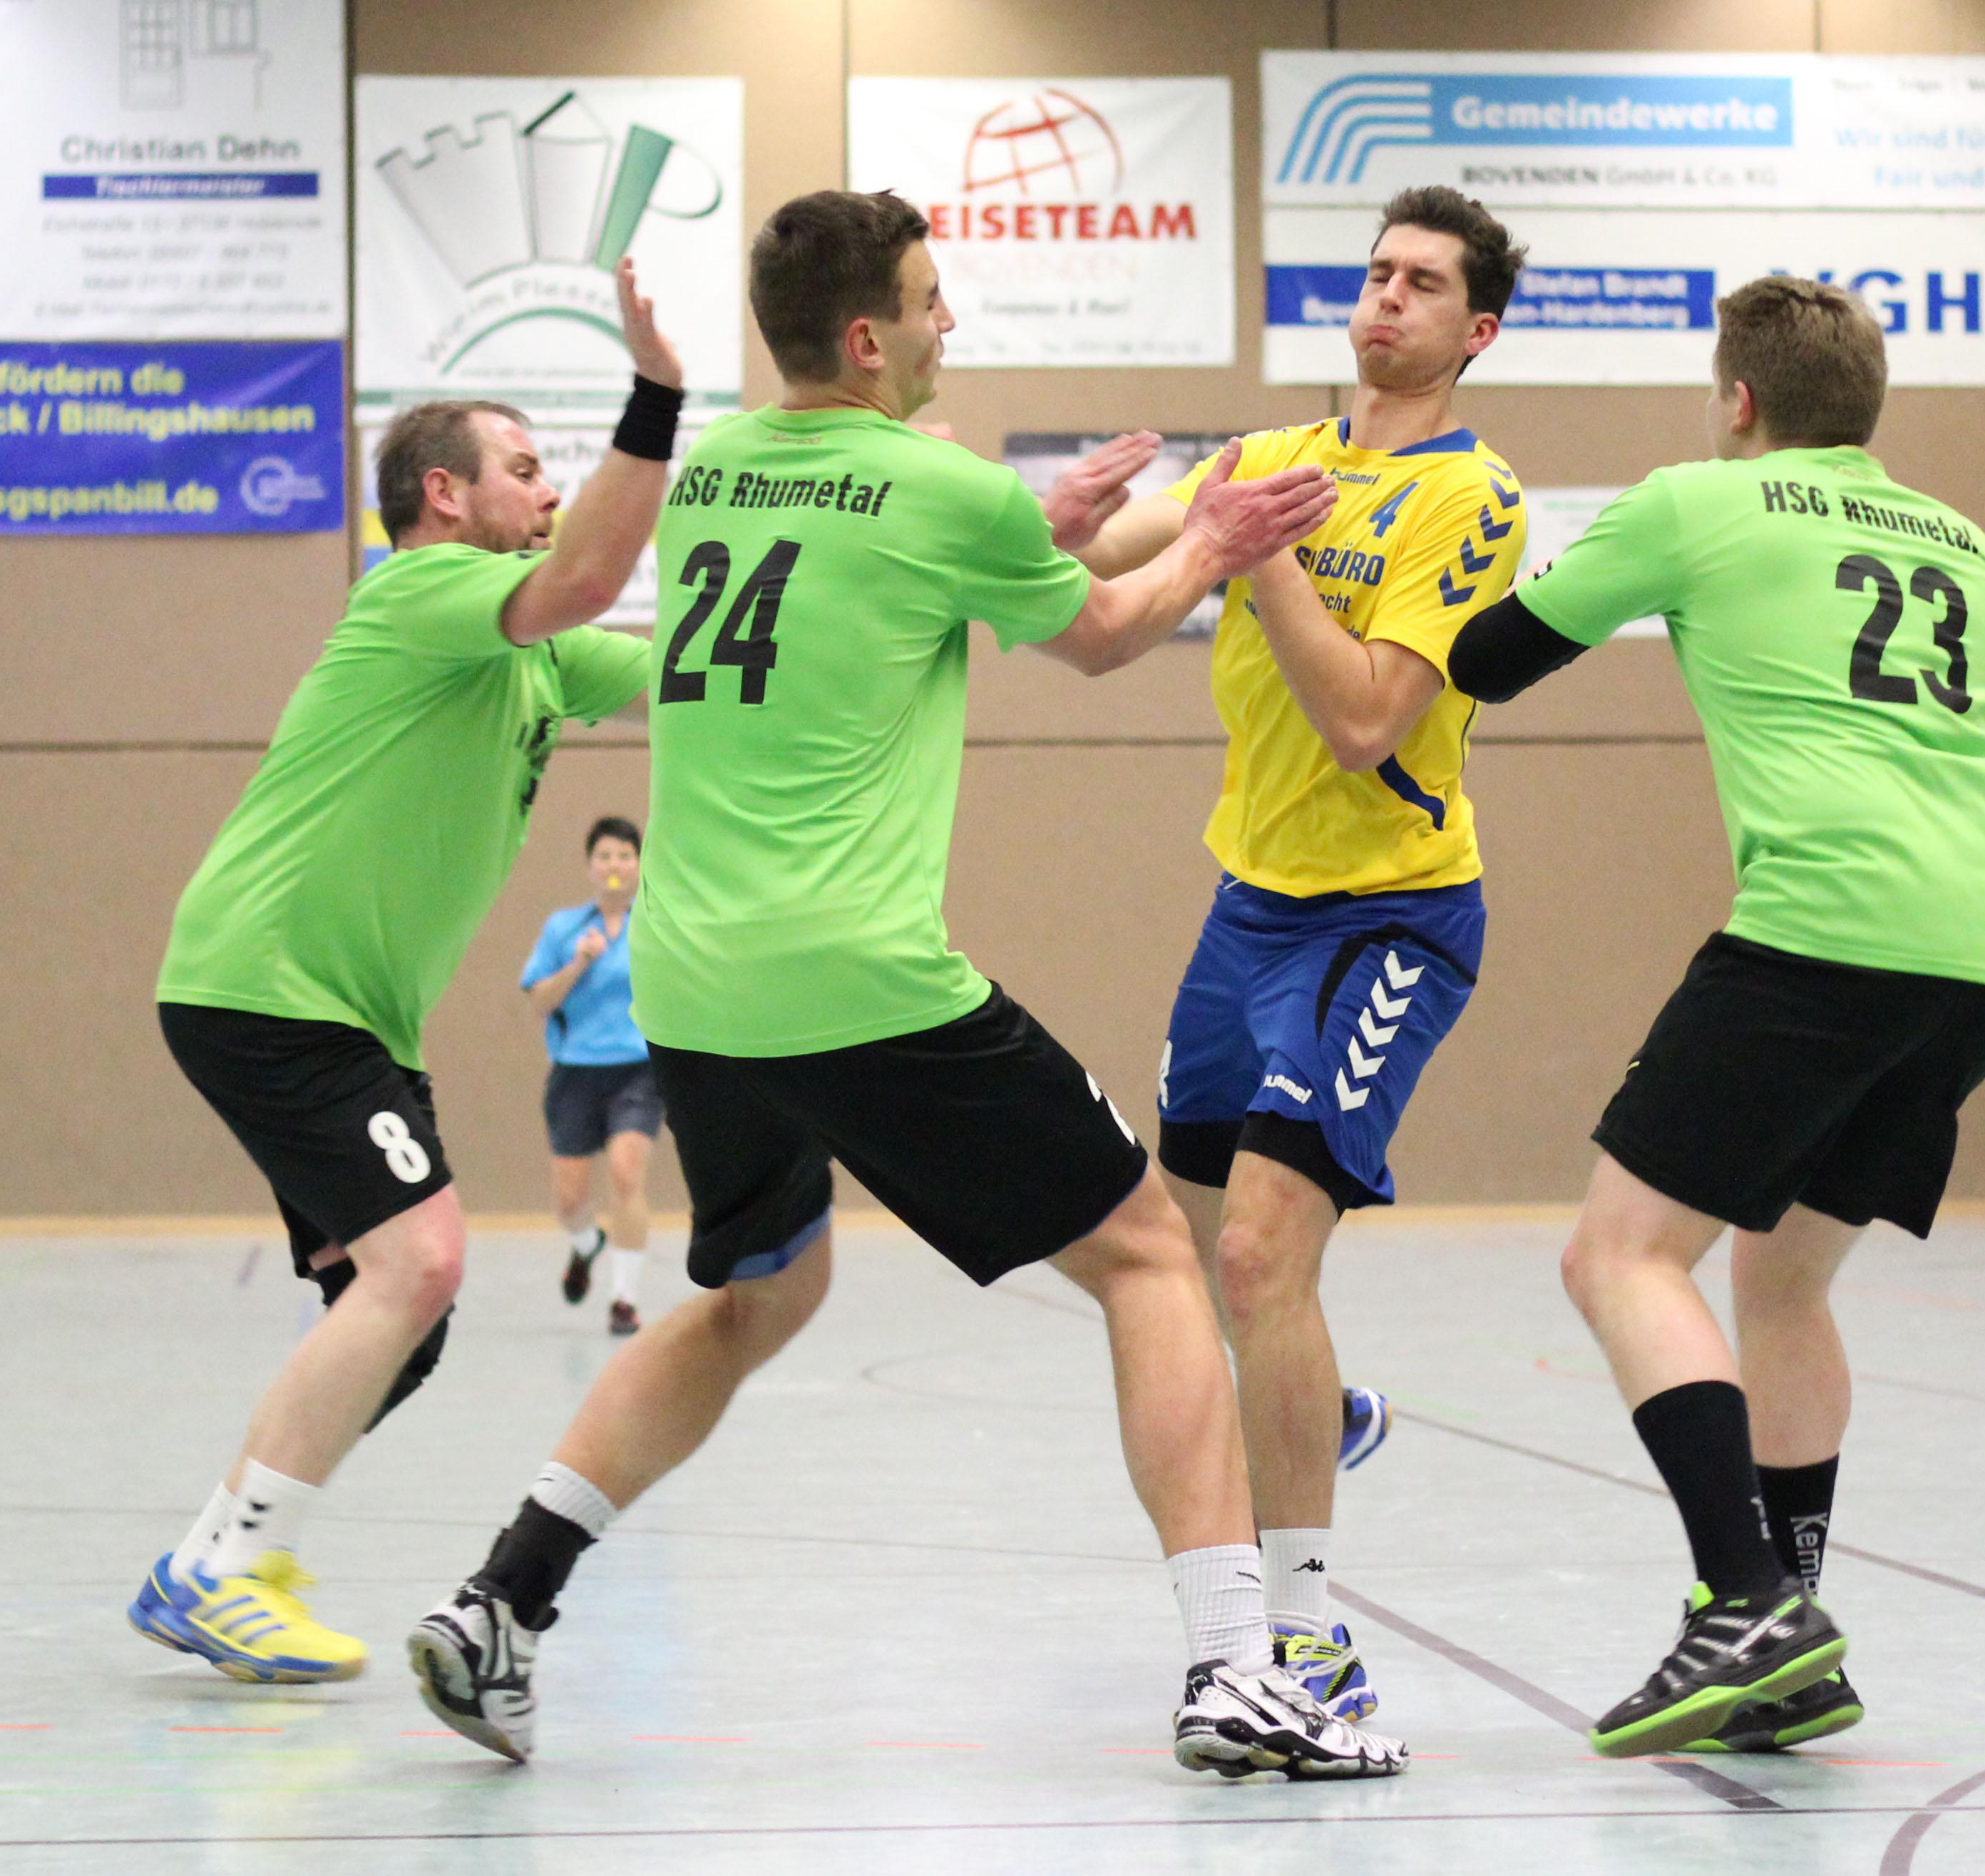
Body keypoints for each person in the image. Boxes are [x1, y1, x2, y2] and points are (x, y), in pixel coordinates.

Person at [406, 190, 1405, 1781]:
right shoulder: (941, 488)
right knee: (1151, 1257)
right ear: (869, 338)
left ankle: (501, 1599)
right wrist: (1211, 544)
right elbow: (1102, 636)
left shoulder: (720, 465)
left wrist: (1043, 526)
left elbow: (877, 585)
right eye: (933, 300)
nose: (953, 322)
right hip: (860, 977)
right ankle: (1235, 1668)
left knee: (760, 1291)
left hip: (696, 982)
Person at [1447, 275, 1985, 1758]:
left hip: (1822, 928)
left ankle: (1743, 1599)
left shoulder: (1696, 502)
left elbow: (1488, 661)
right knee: (1781, 1282)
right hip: (1982, 948)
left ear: (1738, 400)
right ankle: (1792, 1631)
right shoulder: (1971, 548)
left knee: (1617, 1255)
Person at [127, 260, 685, 1685]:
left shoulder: (534, 657)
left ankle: (214, 1556)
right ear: (445, 495)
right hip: (271, 987)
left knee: (401, 1323)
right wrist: (655, 396)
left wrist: (908, 586)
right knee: (422, 1257)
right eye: (525, 468)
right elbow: (587, 577)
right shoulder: (424, 590)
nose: (546, 492)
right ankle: (223, 1568)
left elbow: (700, 668)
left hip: (346, 1018)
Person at [1053, 185, 1527, 1723]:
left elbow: (1367, 717)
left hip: (1388, 914)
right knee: (1188, 1263)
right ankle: (1329, 1410)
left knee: (1261, 1254)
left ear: (1477, 328)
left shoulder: (1474, 500)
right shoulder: (1265, 457)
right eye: (1377, 273)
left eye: (1423, 283)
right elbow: (1100, 573)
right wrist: (1050, 516)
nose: (1386, 297)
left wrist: (1257, 556)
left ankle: (1308, 1633)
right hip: (1245, 908)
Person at [523, 814, 661, 1333]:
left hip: (638, 1072)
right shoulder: (564, 929)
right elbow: (540, 1000)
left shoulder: (656, 926)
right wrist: (578, 963)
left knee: (627, 1175)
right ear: (590, 866)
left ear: (639, 864)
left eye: (625, 854)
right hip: (575, 1075)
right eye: (605, 855)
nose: (614, 864)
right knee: (570, 1202)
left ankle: (624, 1298)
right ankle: (586, 1244)